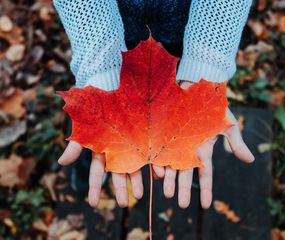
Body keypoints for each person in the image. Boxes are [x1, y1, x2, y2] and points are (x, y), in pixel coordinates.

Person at [53, 0, 255, 209]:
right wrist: (101, 66)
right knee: (101, 121)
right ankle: (95, 158)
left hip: (190, 31)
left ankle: (189, 159)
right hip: (107, 30)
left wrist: (206, 62)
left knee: (190, 126)